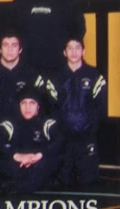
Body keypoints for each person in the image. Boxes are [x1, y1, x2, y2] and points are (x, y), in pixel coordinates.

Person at [45, 37, 107, 186]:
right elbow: (51, 108)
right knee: (62, 183)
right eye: (70, 48)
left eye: (77, 48)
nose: (74, 52)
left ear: (83, 51)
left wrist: (89, 129)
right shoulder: (55, 77)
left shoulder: (94, 76)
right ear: (64, 52)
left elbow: (100, 107)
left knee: (89, 182)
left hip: (86, 137)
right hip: (63, 138)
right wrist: (61, 131)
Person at [10, 0, 85, 73]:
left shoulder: (67, 1)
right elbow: (11, 34)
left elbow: (78, 31)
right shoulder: (20, 2)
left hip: (61, 67)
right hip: (27, 68)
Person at [0, 89, 63, 194]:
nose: (27, 107)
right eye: (24, 103)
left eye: (32, 103)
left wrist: (38, 156)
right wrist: (16, 155)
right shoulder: (11, 124)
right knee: (0, 157)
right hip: (18, 165)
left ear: (38, 106)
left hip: (38, 165)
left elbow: (59, 139)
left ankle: (23, 186)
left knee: (52, 157)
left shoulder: (46, 123)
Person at [0, 32, 45, 119]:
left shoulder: (31, 74)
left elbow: (43, 104)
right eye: (6, 45)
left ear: (20, 49)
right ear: (0, 49)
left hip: (24, 125)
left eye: (14, 45)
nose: (10, 49)